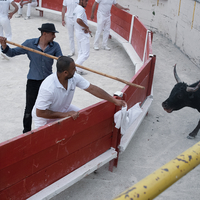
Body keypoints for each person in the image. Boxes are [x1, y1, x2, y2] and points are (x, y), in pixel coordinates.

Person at [0, 23, 63, 133]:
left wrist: (62, 60)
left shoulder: (55, 46)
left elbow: (61, 61)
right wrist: (4, 46)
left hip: (48, 82)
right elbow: (12, 53)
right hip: (33, 81)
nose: (54, 36)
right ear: (45, 33)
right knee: (29, 108)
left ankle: (47, 129)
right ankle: (26, 132)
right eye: (53, 34)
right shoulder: (29, 44)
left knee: (48, 107)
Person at [32, 56, 126, 129]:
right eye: (73, 68)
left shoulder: (74, 77)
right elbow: (40, 113)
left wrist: (113, 100)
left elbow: (92, 88)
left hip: (63, 107)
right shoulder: (48, 88)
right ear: (65, 72)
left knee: (84, 118)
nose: (76, 70)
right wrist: (65, 115)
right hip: (44, 118)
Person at [73, 0, 91, 75]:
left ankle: (79, 70)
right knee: (86, 54)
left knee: (81, 52)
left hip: (78, 32)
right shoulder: (81, 9)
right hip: (82, 33)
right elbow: (78, 20)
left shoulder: (76, 8)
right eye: (85, 1)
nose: (87, 3)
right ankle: (73, 67)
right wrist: (86, 27)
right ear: (81, 1)